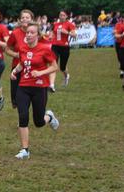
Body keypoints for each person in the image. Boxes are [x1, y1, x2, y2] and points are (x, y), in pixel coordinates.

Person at [9, 22, 60, 160]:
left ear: (38, 35)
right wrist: (14, 71)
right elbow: (22, 63)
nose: (29, 35)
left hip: (39, 88)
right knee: (23, 116)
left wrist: (41, 72)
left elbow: (55, 67)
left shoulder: (45, 49)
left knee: (38, 122)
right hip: (23, 87)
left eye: (32, 33)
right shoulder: (22, 48)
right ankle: (25, 150)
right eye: (27, 32)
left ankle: (49, 116)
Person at [6, 10, 36, 108]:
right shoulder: (15, 33)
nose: (25, 19)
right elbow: (7, 49)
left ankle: (23, 116)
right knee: (15, 97)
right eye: (23, 17)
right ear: (20, 20)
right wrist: (16, 54)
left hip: (32, 68)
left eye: (27, 17)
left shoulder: (37, 33)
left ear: (32, 19)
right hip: (17, 67)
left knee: (26, 95)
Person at [49, 10, 76, 90]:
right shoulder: (55, 24)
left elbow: (74, 35)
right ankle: (51, 85)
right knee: (53, 65)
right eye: (60, 15)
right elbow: (53, 32)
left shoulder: (70, 24)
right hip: (54, 46)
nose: (61, 17)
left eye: (63, 15)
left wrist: (67, 32)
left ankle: (66, 76)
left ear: (66, 16)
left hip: (64, 47)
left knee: (62, 67)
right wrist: (51, 36)